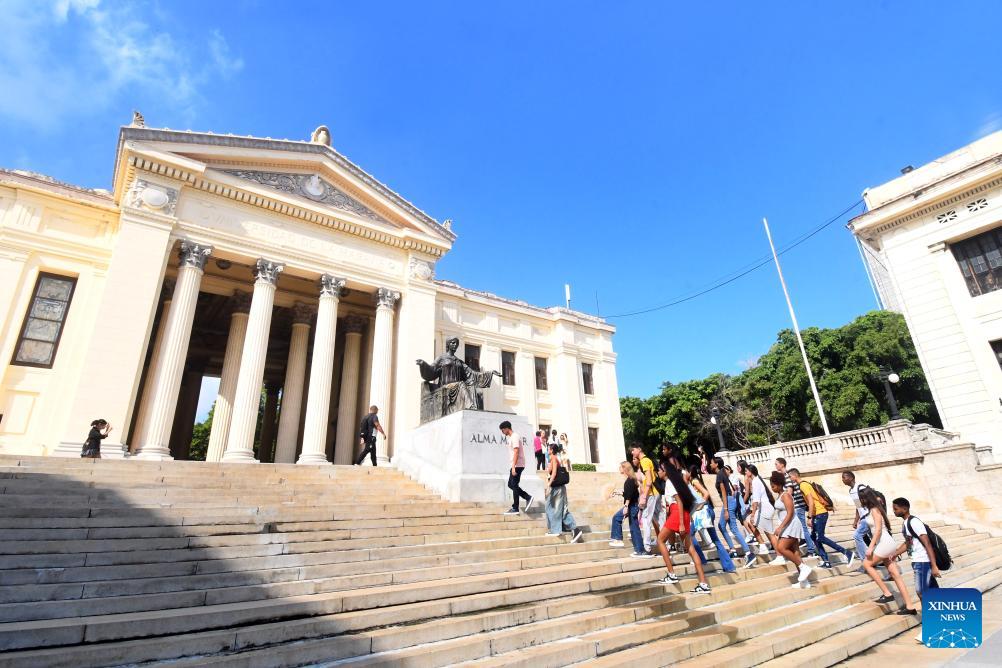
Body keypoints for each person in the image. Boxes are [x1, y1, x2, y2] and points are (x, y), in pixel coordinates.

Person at [654, 460, 711, 593]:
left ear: (665, 471)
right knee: (691, 549)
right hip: (682, 514)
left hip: (677, 514)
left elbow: (679, 501)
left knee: (660, 540)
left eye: (660, 470)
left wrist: (680, 522)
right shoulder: (676, 481)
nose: (658, 472)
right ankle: (703, 583)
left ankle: (672, 574)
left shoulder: (670, 482)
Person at [859, 488, 917, 614]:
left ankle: (887, 593)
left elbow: (878, 530)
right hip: (886, 543)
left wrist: (870, 547)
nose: (860, 500)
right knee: (895, 575)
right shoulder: (874, 509)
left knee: (866, 564)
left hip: (885, 543)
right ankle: (910, 606)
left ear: (866, 498)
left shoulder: (874, 510)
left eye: (861, 498)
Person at [891, 497, 941, 642]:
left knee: (921, 592)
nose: (894, 511)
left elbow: (928, 544)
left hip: (923, 562)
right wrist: (894, 554)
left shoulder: (914, 522)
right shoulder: (906, 523)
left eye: (896, 509)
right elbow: (908, 543)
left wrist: (933, 565)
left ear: (904, 509)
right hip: (917, 562)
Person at [686, 466, 736, 573]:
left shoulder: (692, 482)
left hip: (703, 512)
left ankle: (700, 559)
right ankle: (729, 566)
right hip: (706, 511)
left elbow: (706, 494)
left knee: (690, 535)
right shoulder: (690, 484)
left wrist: (699, 507)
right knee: (715, 539)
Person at [799, 472, 854, 569]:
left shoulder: (803, 485)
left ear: (794, 476)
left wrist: (809, 517)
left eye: (790, 477)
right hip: (818, 514)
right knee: (814, 537)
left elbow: (811, 502)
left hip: (820, 513)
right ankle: (826, 561)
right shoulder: (805, 484)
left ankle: (846, 552)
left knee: (820, 537)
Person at [769, 472, 813, 588]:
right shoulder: (780, 496)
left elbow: (790, 513)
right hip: (787, 526)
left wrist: (780, 527)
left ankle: (804, 567)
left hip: (791, 525)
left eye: (773, 486)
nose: (772, 488)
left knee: (781, 548)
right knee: (795, 553)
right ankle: (804, 582)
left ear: (779, 485)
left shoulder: (786, 495)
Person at [711, 457, 754, 567]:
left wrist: (726, 509)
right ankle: (733, 550)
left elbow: (724, 492)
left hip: (728, 502)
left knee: (733, 528)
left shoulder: (720, 474)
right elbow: (731, 489)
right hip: (730, 501)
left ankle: (749, 553)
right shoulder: (723, 473)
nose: (710, 464)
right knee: (721, 526)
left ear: (716, 464)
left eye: (711, 462)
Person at [775, 459, 817, 557]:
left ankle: (811, 549)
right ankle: (804, 549)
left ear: (782, 465)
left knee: (803, 528)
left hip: (797, 506)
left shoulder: (787, 476)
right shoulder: (786, 476)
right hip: (797, 506)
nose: (775, 466)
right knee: (802, 529)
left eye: (776, 464)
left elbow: (789, 492)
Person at [544, 441, 583, 542]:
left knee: (553, 508)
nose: (547, 450)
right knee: (557, 508)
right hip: (558, 488)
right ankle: (569, 529)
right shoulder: (554, 459)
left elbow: (554, 474)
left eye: (549, 448)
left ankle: (558, 529)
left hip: (556, 488)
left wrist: (548, 485)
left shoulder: (553, 458)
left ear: (552, 450)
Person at [631, 445, 661, 555]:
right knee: (658, 518)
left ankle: (647, 546)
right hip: (654, 493)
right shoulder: (647, 460)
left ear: (639, 449)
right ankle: (665, 543)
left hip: (651, 493)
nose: (632, 453)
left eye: (633, 450)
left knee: (646, 518)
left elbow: (648, 479)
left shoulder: (644, 461)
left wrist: (644, 496)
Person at [745, 463, 778, 564]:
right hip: (765, 509)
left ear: (750, 472)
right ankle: (763, 546)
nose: (745, 472)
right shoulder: (757, 480)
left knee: (770, 533)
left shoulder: (755, 482)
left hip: (765, 509)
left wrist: (753, 514)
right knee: (768, 532)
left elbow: (756, 500)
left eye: (746, 471)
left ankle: (779, 555)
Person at [500, 421, 534, 515]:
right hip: (516, 465)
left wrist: (514, 467)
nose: (502, 432)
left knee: (514, 485)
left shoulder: (514, 437)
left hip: (517, 465)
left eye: (502, 430)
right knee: (511, 485)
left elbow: (516, 452)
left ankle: (515, 508)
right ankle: (527, 497)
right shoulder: (512, 437)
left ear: (507, 428)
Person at [609, 461, 644, 555]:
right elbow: (630, 494)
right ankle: (639, 550)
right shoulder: (631, 479)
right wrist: (620, 493)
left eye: (620, 467)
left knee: (616, 518)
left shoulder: (629, 480)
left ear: (625, 468)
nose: (619, 469)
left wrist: (626, 506)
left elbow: (629, 496)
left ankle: (618, 539)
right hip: (633, 505)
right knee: (634, 528)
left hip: (631, 506)